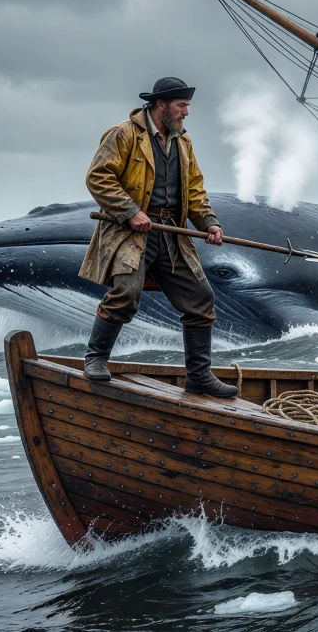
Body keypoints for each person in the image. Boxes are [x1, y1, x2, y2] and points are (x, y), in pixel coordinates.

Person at [78, 77, 238, 398]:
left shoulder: (183, 142)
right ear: (160, 105)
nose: (186, 113)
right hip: (129, 233)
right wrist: (129, 211)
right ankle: (95, 359)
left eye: (187, 107)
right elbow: (98, 177)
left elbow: (193, 188)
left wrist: (208, 222)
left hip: (171, 236)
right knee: (126, 292)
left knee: (201, 299)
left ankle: (199, 376)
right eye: (182, 106)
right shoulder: (123, 135)